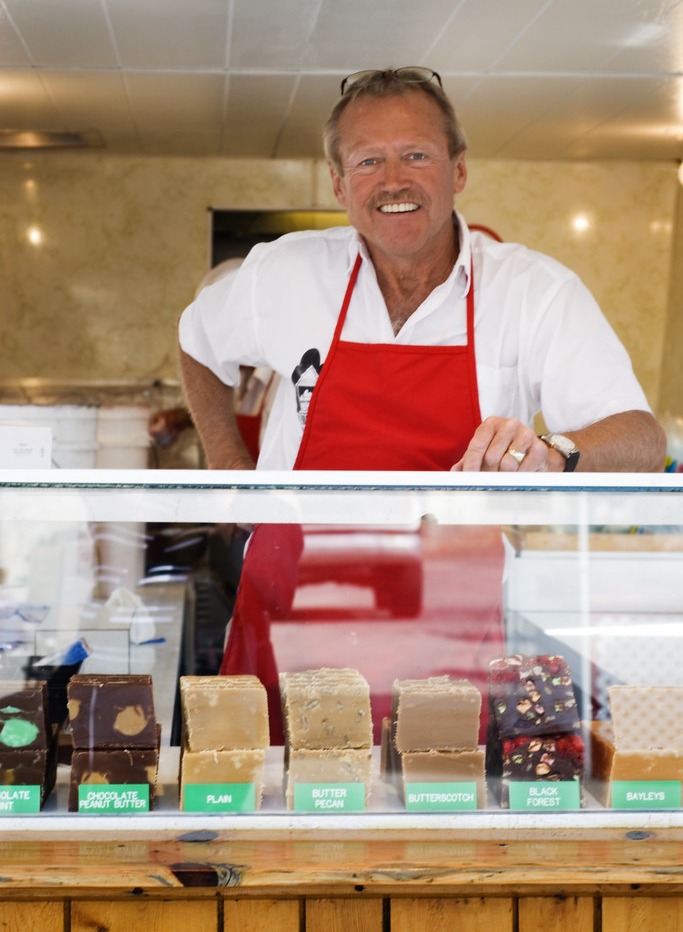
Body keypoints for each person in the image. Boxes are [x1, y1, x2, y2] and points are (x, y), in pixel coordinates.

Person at [177, 67, 666, 739]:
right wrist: (227, 461)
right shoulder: (284, 273)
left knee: (435, 811)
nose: (392, 181)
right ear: (339, 183)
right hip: (291, 613)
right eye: (367, 161)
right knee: (272, 819)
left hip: (447, 626)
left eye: (415, 155)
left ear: (458, 170)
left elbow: (643, 440)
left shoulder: (532, 291)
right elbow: (196, 346)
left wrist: (556, 452)